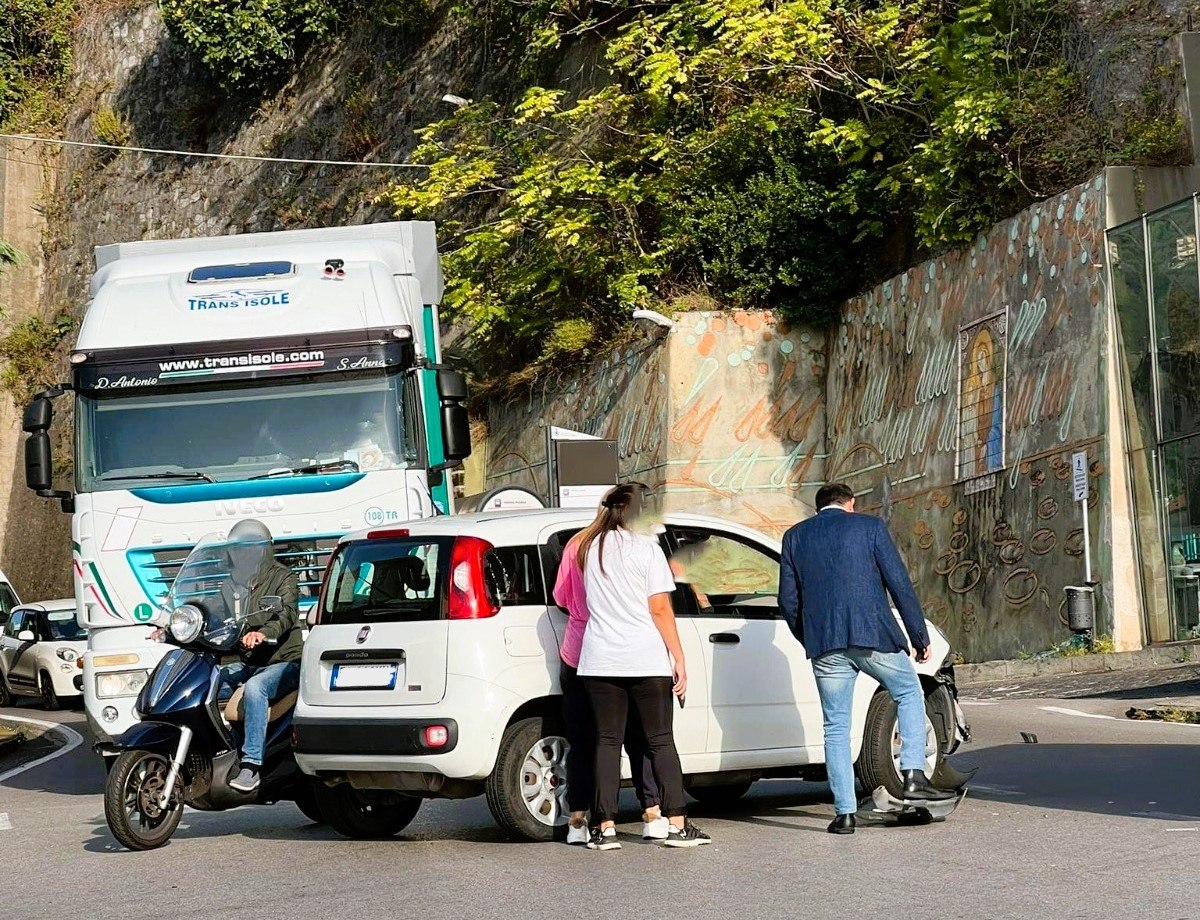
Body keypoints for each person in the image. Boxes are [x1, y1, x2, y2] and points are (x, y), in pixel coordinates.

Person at [779, 482, 954, 836]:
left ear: (818, 508)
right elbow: (899, 584)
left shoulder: (795, 537)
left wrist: (812, 637)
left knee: (836, 727)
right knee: (907, 691)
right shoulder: (869, 527)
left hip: (825, 645)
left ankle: (844, 813)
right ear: (851, 504)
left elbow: (788, 601)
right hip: (872, 635)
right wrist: (918, 637)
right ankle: (914, 775)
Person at [575, 483, 710, 849]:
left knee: (606, 742)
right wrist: (679, 657)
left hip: (600, 658)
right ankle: (678, 823)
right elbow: (660, 608)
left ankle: (603, 828)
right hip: (645, 658)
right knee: (660, 740)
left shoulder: (588, 548)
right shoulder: (646, 550)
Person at [554, 530, 669, 845]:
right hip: (624, 653)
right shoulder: (634, 546)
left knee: (585, 740)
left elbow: (561, 597)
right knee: (639, 737)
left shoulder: (578, 545)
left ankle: (578, 820)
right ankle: (652, 813)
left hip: (578, 651)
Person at [215, 519, 302, 793]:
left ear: (264, 549)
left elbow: (286, 613)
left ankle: (251, 765)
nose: (244, 554)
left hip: (284, 661)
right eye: (239, 549)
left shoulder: (282, 577)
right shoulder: (230, 584)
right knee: (209, 682)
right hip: (248, 661)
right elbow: (216, 616)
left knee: (255, 688)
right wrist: (175, 626)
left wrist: (263, 633)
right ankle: (222, 748)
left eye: (251, 548)